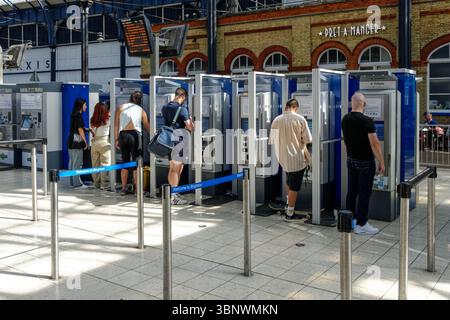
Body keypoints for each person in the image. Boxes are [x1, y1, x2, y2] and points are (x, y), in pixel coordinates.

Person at [342, 92, 385, 235]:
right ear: (363, 104)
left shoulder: (345, 119)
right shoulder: (367, 121)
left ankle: (348, 221)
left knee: (352, 192)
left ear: (352, 103)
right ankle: (361, 224)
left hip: (351, 160)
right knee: (364, 193)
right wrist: (381, 161)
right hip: (365, 162)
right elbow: (375, 143)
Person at [269, 98, 312, 222]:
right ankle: (290, 213)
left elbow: (272, 140)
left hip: (283, 157)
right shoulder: (300, 119)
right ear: (296, 108)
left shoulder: (277, 120)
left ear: (286, 107)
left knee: (289, 181)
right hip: (297, 157)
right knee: (294, 186)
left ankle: (288, 205)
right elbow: (308, 139)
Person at [161, 87, 194, 205]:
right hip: (179, 139)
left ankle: (173, 192)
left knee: (174, 168)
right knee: (176, 168)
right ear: (182, 96)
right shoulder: (182, 109)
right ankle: (173, 196)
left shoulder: (165, 107)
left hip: (169, 139)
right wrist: (190, 120)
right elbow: (190, 127)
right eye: (184, 98)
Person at [114, 91, 150, 196]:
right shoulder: (141, 110)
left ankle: (124, 189)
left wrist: (116, 139)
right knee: (137, 164)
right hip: (135, 135)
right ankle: (137, 190)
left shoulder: (120, 108)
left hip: (123, 136)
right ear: (140, 100)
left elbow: (116, 125)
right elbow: (147, 127)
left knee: (125, 162)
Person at [67, 97, 94, 189]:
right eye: (85, 105)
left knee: (72, 163)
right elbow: (79, 129)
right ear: (81, 106)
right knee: (77, 163)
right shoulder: (79, 116)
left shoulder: (73, 115)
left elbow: (78, 128)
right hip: (77, 142)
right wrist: (85, 142)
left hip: (70, 141)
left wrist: (87, 129)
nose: (86, 106)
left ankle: (73, 182)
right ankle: (77, 183)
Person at [90, 102, 111, 190]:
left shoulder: (93, 119)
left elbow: (92, 132)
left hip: (94, 143)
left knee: (95, 165)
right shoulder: (108, 118)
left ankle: (96, 184)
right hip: (104, 142)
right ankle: (105, 185)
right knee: (105, 164)